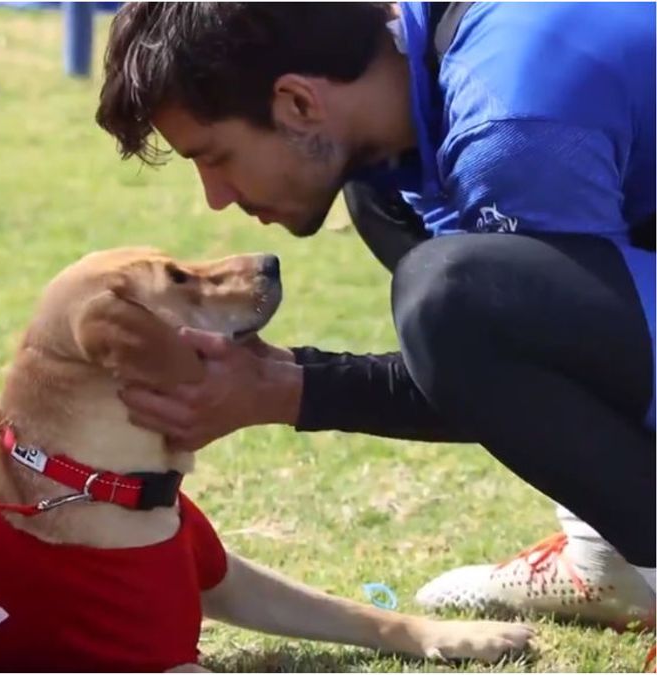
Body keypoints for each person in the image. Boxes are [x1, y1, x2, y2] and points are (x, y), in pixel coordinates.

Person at [95, 1, 656, 635]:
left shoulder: (510, 117)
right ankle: (608, 557)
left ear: (300, 104)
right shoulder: (413, 80)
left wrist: (285, 388)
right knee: (386, 204)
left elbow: (533, 360)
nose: (216, 197)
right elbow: (522, 372)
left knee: (450, 294)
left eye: (214, 156)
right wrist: (284, 385)